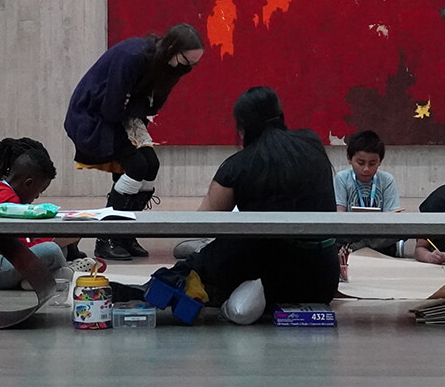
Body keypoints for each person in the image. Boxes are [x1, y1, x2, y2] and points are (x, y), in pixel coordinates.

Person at [182, 86, 339, 324]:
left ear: (242, 126)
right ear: (280, 114)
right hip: (323, 281)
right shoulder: (312, 141)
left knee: (195, 254)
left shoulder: (237, 165)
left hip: (271, 278)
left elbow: (202, 223)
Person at [65, 24, 204, 260]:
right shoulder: (133, 56)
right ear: (172, 49)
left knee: (151, 166)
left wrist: (136, 107)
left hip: (126, 117)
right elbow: (112, 107)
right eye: (186, 62)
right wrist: (136, 108)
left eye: (193, 64)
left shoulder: (170, 67)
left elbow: (153, 105)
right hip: (94, 116)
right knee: (136, 166)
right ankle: (108, 237)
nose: (188, 69)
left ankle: (126, 232)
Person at [0, 138, 97, 290]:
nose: (36, 197)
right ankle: (64, 273)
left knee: (58, 247)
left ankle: (36, 279)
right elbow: (21, 247)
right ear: (28, 183)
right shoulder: (7, 201)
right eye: (38, 191)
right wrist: (56, 239)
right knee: (52, 249)